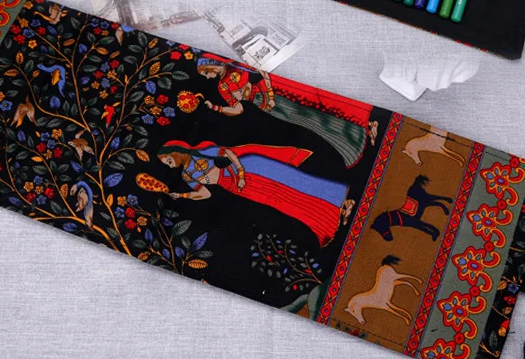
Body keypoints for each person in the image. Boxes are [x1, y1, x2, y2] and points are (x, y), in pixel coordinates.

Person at [158, 140, 355, 247]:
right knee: (285, 202)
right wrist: (182, 196)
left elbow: (228, 153)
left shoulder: (201, 151)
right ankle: (329, 220)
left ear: (176, 152)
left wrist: (240, 174)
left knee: (294, 182)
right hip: (237, 187)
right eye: (167, 164)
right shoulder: (186, 175)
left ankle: (341, 201)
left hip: (249, 170)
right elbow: (205, 194)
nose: (170, 165)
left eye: (169, 160)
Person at [196, 55, 376, 168]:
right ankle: (352, 143)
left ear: (210, 65)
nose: (207, 77)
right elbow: (239, 109)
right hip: (271, 108)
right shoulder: (222, 86)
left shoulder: (236, 63)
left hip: (279, 91)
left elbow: (263, 73)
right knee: (311, 121)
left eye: (205, 73)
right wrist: (217, 108)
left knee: (319, 105)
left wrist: (270, 94)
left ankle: (363, 125)